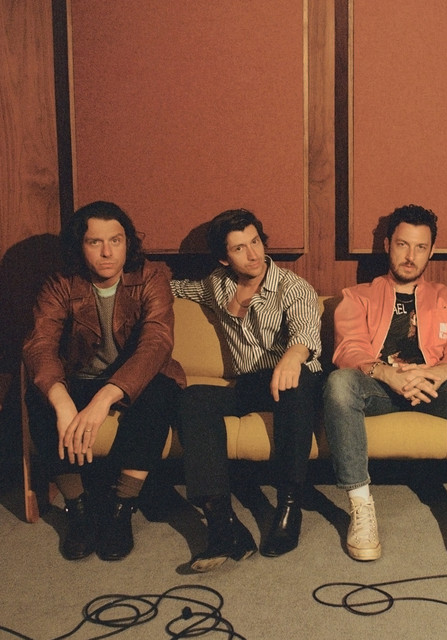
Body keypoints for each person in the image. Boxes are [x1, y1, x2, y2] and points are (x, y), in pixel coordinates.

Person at [323, 204, 447, 561]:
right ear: (387, 245)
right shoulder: (356, 296)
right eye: (403, 245)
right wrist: (386, 373)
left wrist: (438, 372)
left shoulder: (446, 298)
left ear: (431, 251)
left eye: (420, 247)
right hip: (379, 389)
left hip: (433, 389)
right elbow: (348, 349)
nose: (410, 256)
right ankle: (360, 507)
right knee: (339, 383)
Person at [23, 201, 186, 561]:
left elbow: (157, 343)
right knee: (39, 395)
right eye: (95, 242)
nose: (108, 252)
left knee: (160, 391)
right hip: (81, 379)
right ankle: (78, 508)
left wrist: (105, 399)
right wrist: (62, 402)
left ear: (128, 242)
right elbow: (40, 345)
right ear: (79, 246)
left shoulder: (151, 275)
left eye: (116, 240)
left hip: (136, 379)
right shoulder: (61, 283)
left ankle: (120, 508)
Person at [171, 208, 323, 571]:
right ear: (224, 258)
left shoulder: (292, 287)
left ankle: (289, 506)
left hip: (298, 376)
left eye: (255, 242)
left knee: (296, 384)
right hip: (251, 382)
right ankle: (222, 523)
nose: (253, 254)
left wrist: (293, 357)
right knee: (193, 399)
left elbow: (305, 330)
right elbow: (177, 288)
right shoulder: (217, 284)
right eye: (240, 248)